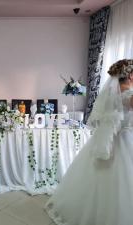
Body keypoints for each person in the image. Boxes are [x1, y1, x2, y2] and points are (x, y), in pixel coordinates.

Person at [44, 59, 133, 225]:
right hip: (124, 141)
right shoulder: (129, 93)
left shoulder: (112, 92)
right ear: (129, 75)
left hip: (109, 138)